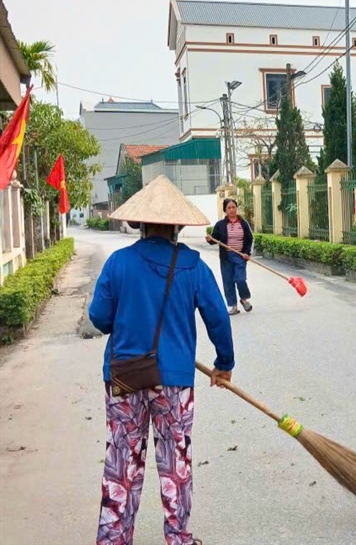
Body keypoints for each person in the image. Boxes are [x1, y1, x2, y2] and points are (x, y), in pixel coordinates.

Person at [90, 175, 234, 545]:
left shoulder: (118, 263)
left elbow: (99, 317)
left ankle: (113, 538)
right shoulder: (193, 266)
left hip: (124, 377)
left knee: (123, 460)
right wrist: (224, 364)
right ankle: (178, 537)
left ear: (139, 223)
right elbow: (218, 318)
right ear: (177, 227)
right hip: (174, 382)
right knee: (175, 462)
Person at [206, 198, 254, 315]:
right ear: (225, 210)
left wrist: (247, 253)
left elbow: (250, 239)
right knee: (228, 282)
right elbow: (214, 239)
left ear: (236, 208)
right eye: (229, 208)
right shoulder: (220, 225)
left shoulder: (243, 223)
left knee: (240, 279)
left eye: (234, 207)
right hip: (226, 257)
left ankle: (244, 299)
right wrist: (209, 239)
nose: (232, 210)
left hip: (240, 256)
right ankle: (233, 306)